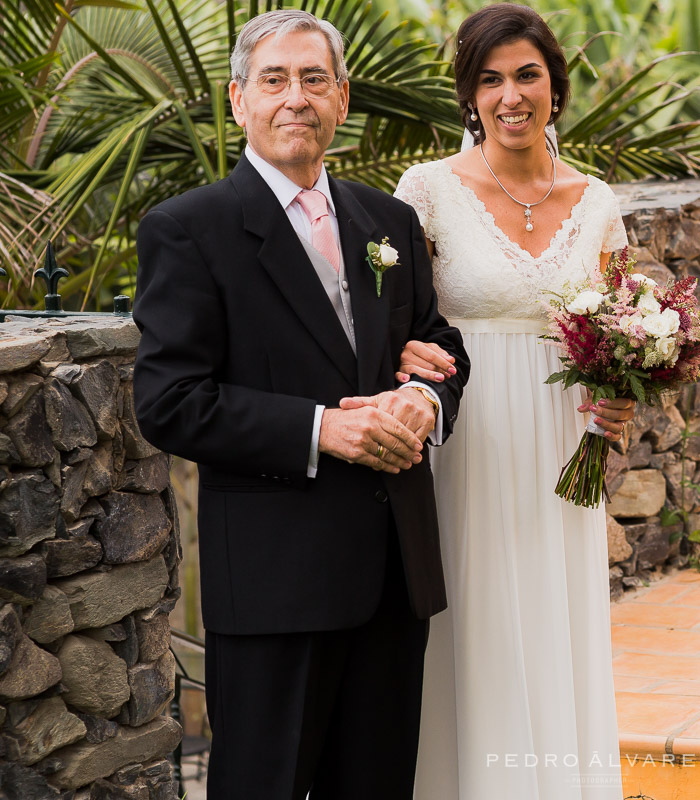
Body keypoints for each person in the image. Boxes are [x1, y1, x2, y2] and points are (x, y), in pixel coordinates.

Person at [131, 9, 468, 798]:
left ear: (342, 99)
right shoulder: (189, 230)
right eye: (274, 79)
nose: (296, 97)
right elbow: (171, 403)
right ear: (239, 99)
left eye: (314, 79)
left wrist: (425, 397)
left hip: (394, 571)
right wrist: (328, 431)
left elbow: (437, 341)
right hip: (276, 584)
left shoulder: (389, 222)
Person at [391, 4, 634, 797]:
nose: (510, 95)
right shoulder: (426, 190)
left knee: (554, 621)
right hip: (463, 431)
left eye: (527, 74)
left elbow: (619, 332)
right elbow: (398, 323)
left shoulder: (597, 201)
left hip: (565, 448)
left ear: (554, 88)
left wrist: (620, 399)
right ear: (469, 95)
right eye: (490, 80)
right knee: (471, 620)